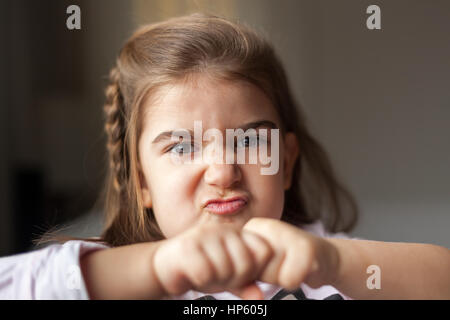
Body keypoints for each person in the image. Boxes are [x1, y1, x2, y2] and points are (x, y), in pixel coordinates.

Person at [1, 13, 449, 300]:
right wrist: (159, 268)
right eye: (182, 146)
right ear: (141, 182)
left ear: (287, 162)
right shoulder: (119, 284)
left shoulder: (323, 264)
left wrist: (333, 261)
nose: (222, 170)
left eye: (252, 141)